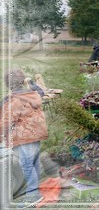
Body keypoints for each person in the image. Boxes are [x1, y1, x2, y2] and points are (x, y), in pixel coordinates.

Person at [0, 69, 48, 208]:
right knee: (34, 162)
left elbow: (5, 122)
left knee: (26, 165)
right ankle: (35, 190)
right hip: (37, 133)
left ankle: (33, 196)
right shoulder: (32, 94)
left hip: (24, 136)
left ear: (9, 85)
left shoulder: (14, 101)